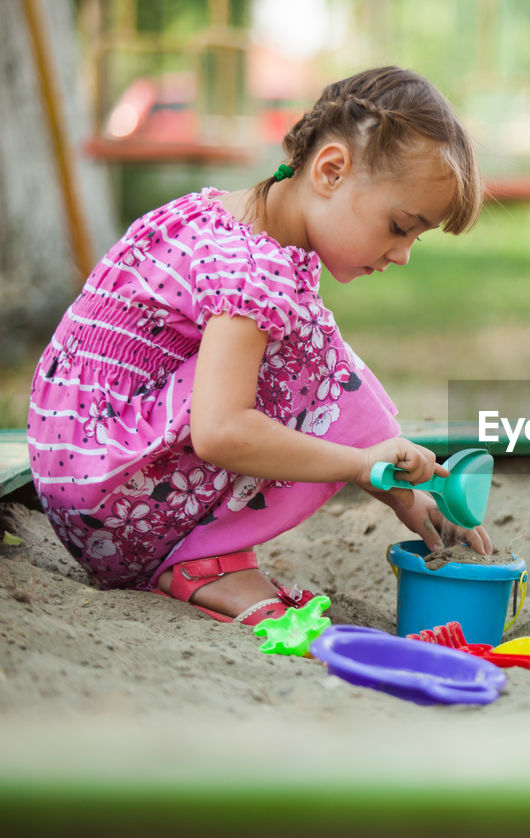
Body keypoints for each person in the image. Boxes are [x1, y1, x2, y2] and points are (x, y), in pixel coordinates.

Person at [27, 66, 492, 626]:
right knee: (298, 352)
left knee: (306, 342)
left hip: (83, 471)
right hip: (114, 506)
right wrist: (363, 464)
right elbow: (222, 431)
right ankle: (203, 563)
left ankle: (204, 552)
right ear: (332, 170)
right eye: (399, 226)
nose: (403, 254)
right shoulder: (253, 271)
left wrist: (401, 491)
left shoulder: (226, 219)